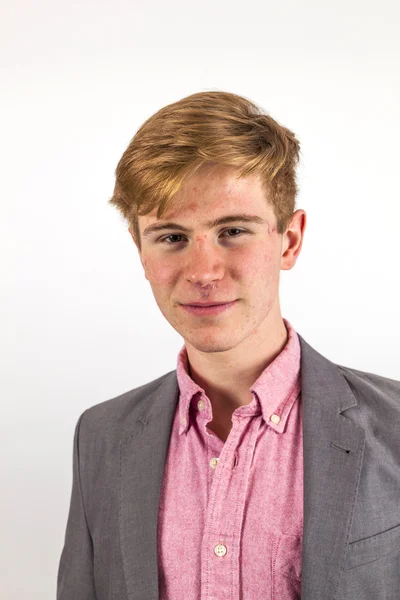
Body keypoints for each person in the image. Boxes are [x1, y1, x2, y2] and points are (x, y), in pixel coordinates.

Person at [57, 91, 400, 600]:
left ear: (290, 241)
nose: (202, 272)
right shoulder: (101, 438)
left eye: (233, 230)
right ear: (140, 251)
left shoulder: (393, 429)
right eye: (171, 237)